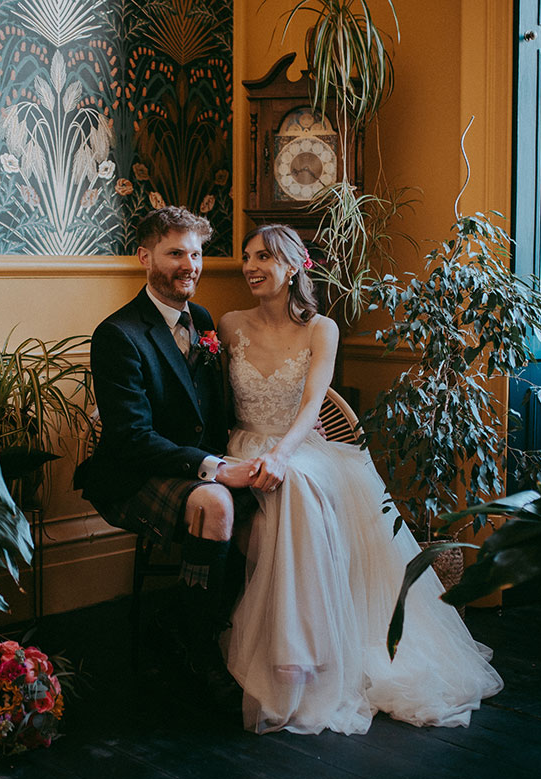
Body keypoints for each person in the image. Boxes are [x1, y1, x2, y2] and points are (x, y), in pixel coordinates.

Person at [219, 224, 504, 735]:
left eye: (264, 256)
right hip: (244, 443)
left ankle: (300, 656)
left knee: (298, 484)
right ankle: (296, 647)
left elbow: (312, 406)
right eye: (246, 257)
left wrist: (283, 455)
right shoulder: (229, 322)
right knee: (283, 499)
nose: (250, 266)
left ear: (293, 266)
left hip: (303, 448)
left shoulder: (319, 329)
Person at [74, 206, 258, 684]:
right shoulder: (118, 334)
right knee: (217, 503)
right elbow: (132, 438)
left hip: (193, 465)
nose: (190, 265)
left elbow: (221, 404)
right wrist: (216, 469)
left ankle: (192, 623)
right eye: (175, 252)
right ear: (144, 257)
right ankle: (199, 651)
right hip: (135, 474)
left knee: (279, 493)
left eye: (195, 253)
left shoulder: (202, 319)